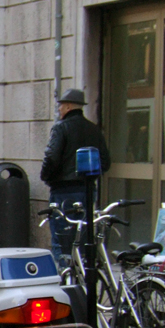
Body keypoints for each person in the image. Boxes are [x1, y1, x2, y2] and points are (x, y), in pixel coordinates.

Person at [40, 88, 111, 267]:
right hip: (87, 190)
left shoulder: (61, 127)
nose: (59, 110)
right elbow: (106, 161)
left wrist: (47, 177)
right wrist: (90, 177)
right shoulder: (93, 129)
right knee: (84, 236)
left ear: (69, 106)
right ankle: (84, 274)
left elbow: (52, 157)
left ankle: (66, 278)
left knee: (63, 239)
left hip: (63, 190)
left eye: (61, 106)